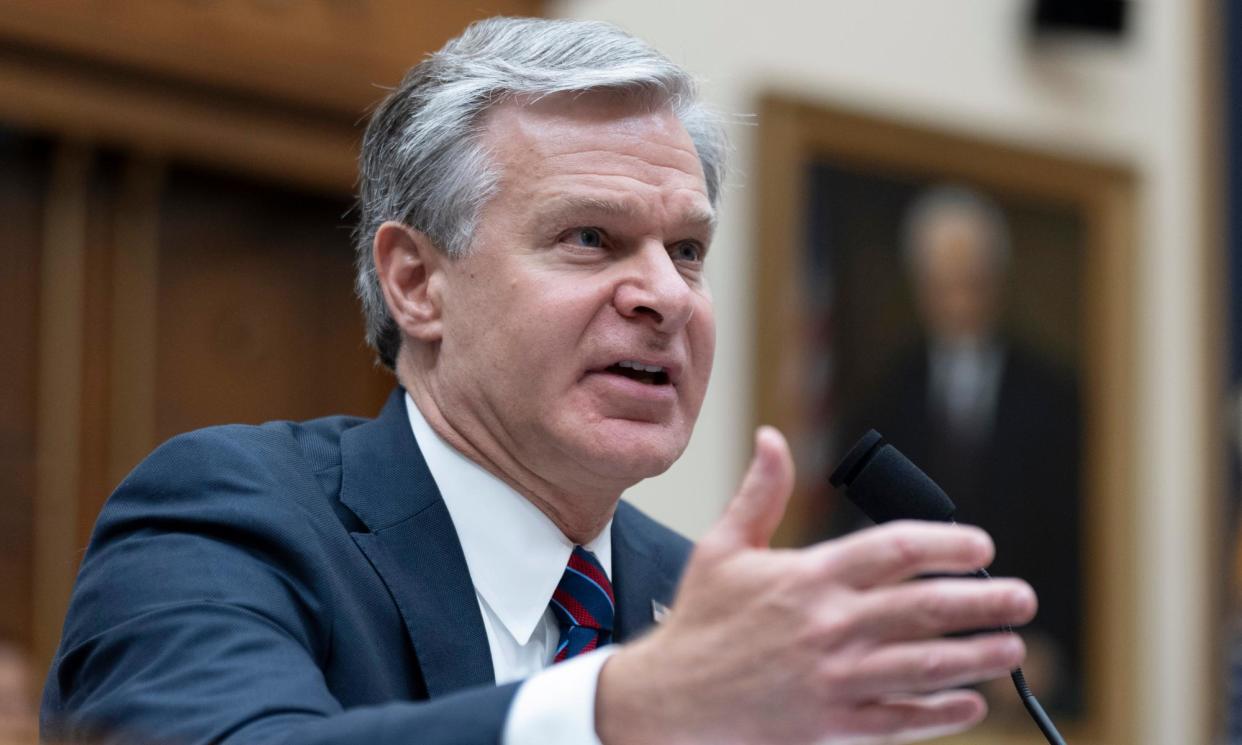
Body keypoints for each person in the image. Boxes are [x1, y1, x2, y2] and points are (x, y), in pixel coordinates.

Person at [42, 17, 1037, 745]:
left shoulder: (705, 609)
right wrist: (625, 708)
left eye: (687, 251)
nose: (664, 295)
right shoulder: (230, 517)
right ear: (418, 283)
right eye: (590, 238)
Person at [844, 184, 1082, 714]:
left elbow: (1072, 536)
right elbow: (857, 520)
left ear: (997, 280)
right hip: (914, 646)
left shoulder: (1051, 395)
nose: (957, 302)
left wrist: (1046, 642)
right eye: (941, 284)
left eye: (970, 282)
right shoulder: (890, 391)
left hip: (1020, 648)